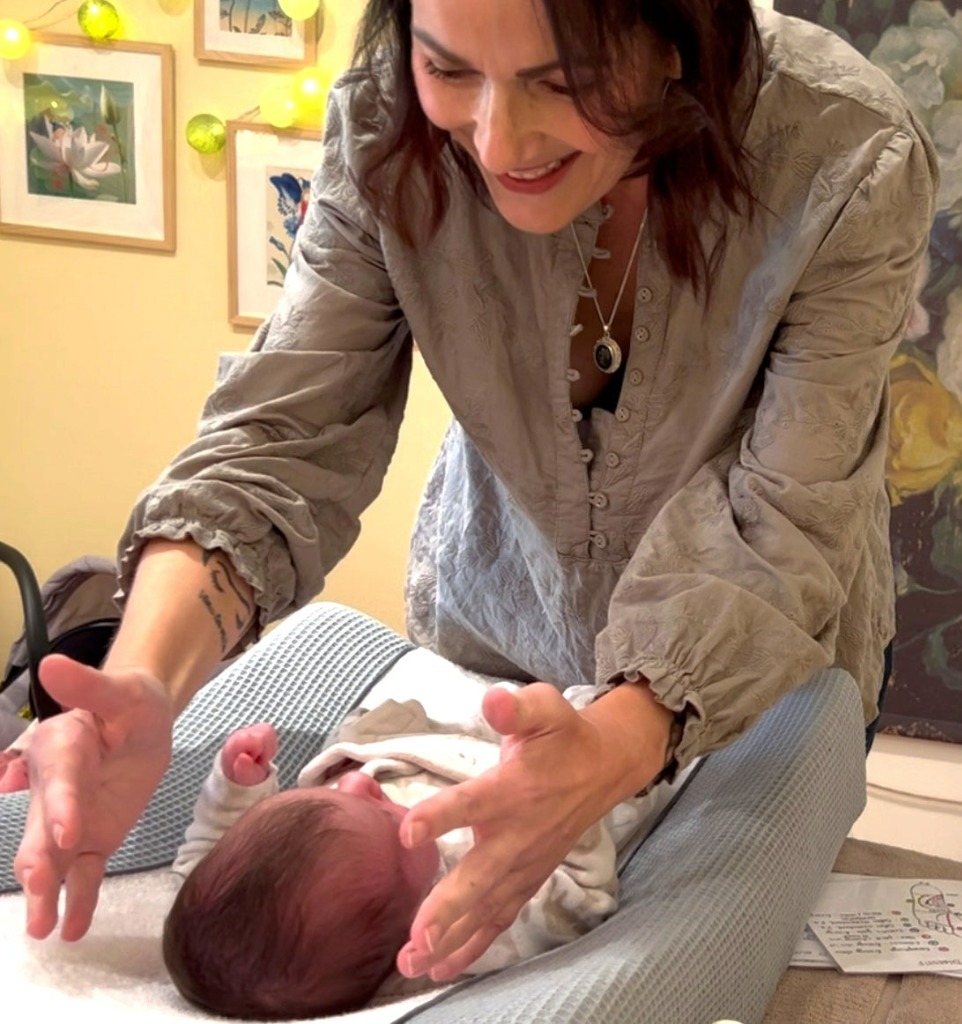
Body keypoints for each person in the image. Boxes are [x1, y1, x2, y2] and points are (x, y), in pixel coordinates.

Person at [4, 0, 939, 988]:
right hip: (492, 626)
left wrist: (615, 743)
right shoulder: (383, 125)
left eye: (563, 82)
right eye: (448, 71)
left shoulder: (844, 155)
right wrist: (145, 679)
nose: (496, 140)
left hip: (753, 670)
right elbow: (281, 436)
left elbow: (780, 517)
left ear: (682, 34)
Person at [164, 654, 686, 1018]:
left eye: (341, 794)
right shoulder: (469, 927)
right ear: (412, 925)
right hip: (582, 775)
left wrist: (238, 787)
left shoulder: (268, 891)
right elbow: (581, 899)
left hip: (444, 737)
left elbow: (208, 862)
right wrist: (570, 801)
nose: (358, 784)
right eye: (386, 817)